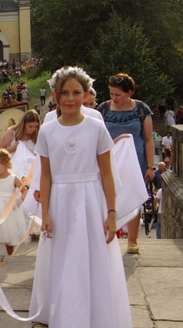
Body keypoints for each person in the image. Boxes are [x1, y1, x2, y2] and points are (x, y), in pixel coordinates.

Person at [29, 66, 132, 327]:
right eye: (64, 93)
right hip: (60, 201)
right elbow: (47, 176)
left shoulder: (96, 127)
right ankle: (65, 314)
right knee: (63, 258)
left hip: (89, 199)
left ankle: (95, 315)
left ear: (86, 94)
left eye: (76, 93)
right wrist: (46, 214)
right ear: (55, 95)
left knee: (91, 257)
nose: (71, 99)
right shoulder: (48, 131)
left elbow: (107, 174)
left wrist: (111, 213)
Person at [97, 72, 155, 254]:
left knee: (133, 200)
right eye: (111, 94)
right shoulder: (103, 109)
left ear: (129, 92)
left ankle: (132, 240)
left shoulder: (141, 109)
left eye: (118, 94)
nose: (114, 98)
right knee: (104, 199)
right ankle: (103, 237)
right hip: (108, 162)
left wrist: (150, 166)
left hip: (134, 162)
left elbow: (148, 139)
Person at [0, 149, 28, 255]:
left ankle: (10, 254)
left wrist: (19, 200)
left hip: (7, 208)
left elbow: (24, 191)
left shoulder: (13, 178)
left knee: (8, 232)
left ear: (6, 165)